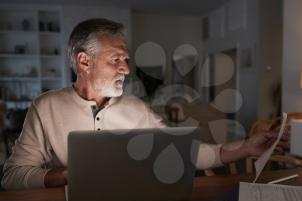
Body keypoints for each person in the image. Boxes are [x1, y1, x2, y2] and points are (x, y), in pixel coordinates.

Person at [1, 18, 277, 190]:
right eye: (116, 59)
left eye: (127, 59)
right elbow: (12, 177)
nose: (127, 69)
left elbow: (185, 152)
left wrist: (245, 148)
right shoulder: (45, 107)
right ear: (84, 61)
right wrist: (63, 175)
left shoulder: (136, 108)